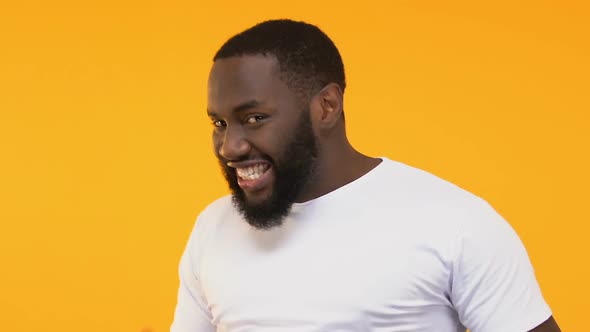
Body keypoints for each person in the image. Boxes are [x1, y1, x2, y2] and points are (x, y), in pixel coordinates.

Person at [170, 19, 560, 332]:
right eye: (219, 123)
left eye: (254, 119)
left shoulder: (455, 222)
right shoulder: (213, 227)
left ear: (326, 106)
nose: (229, 146)